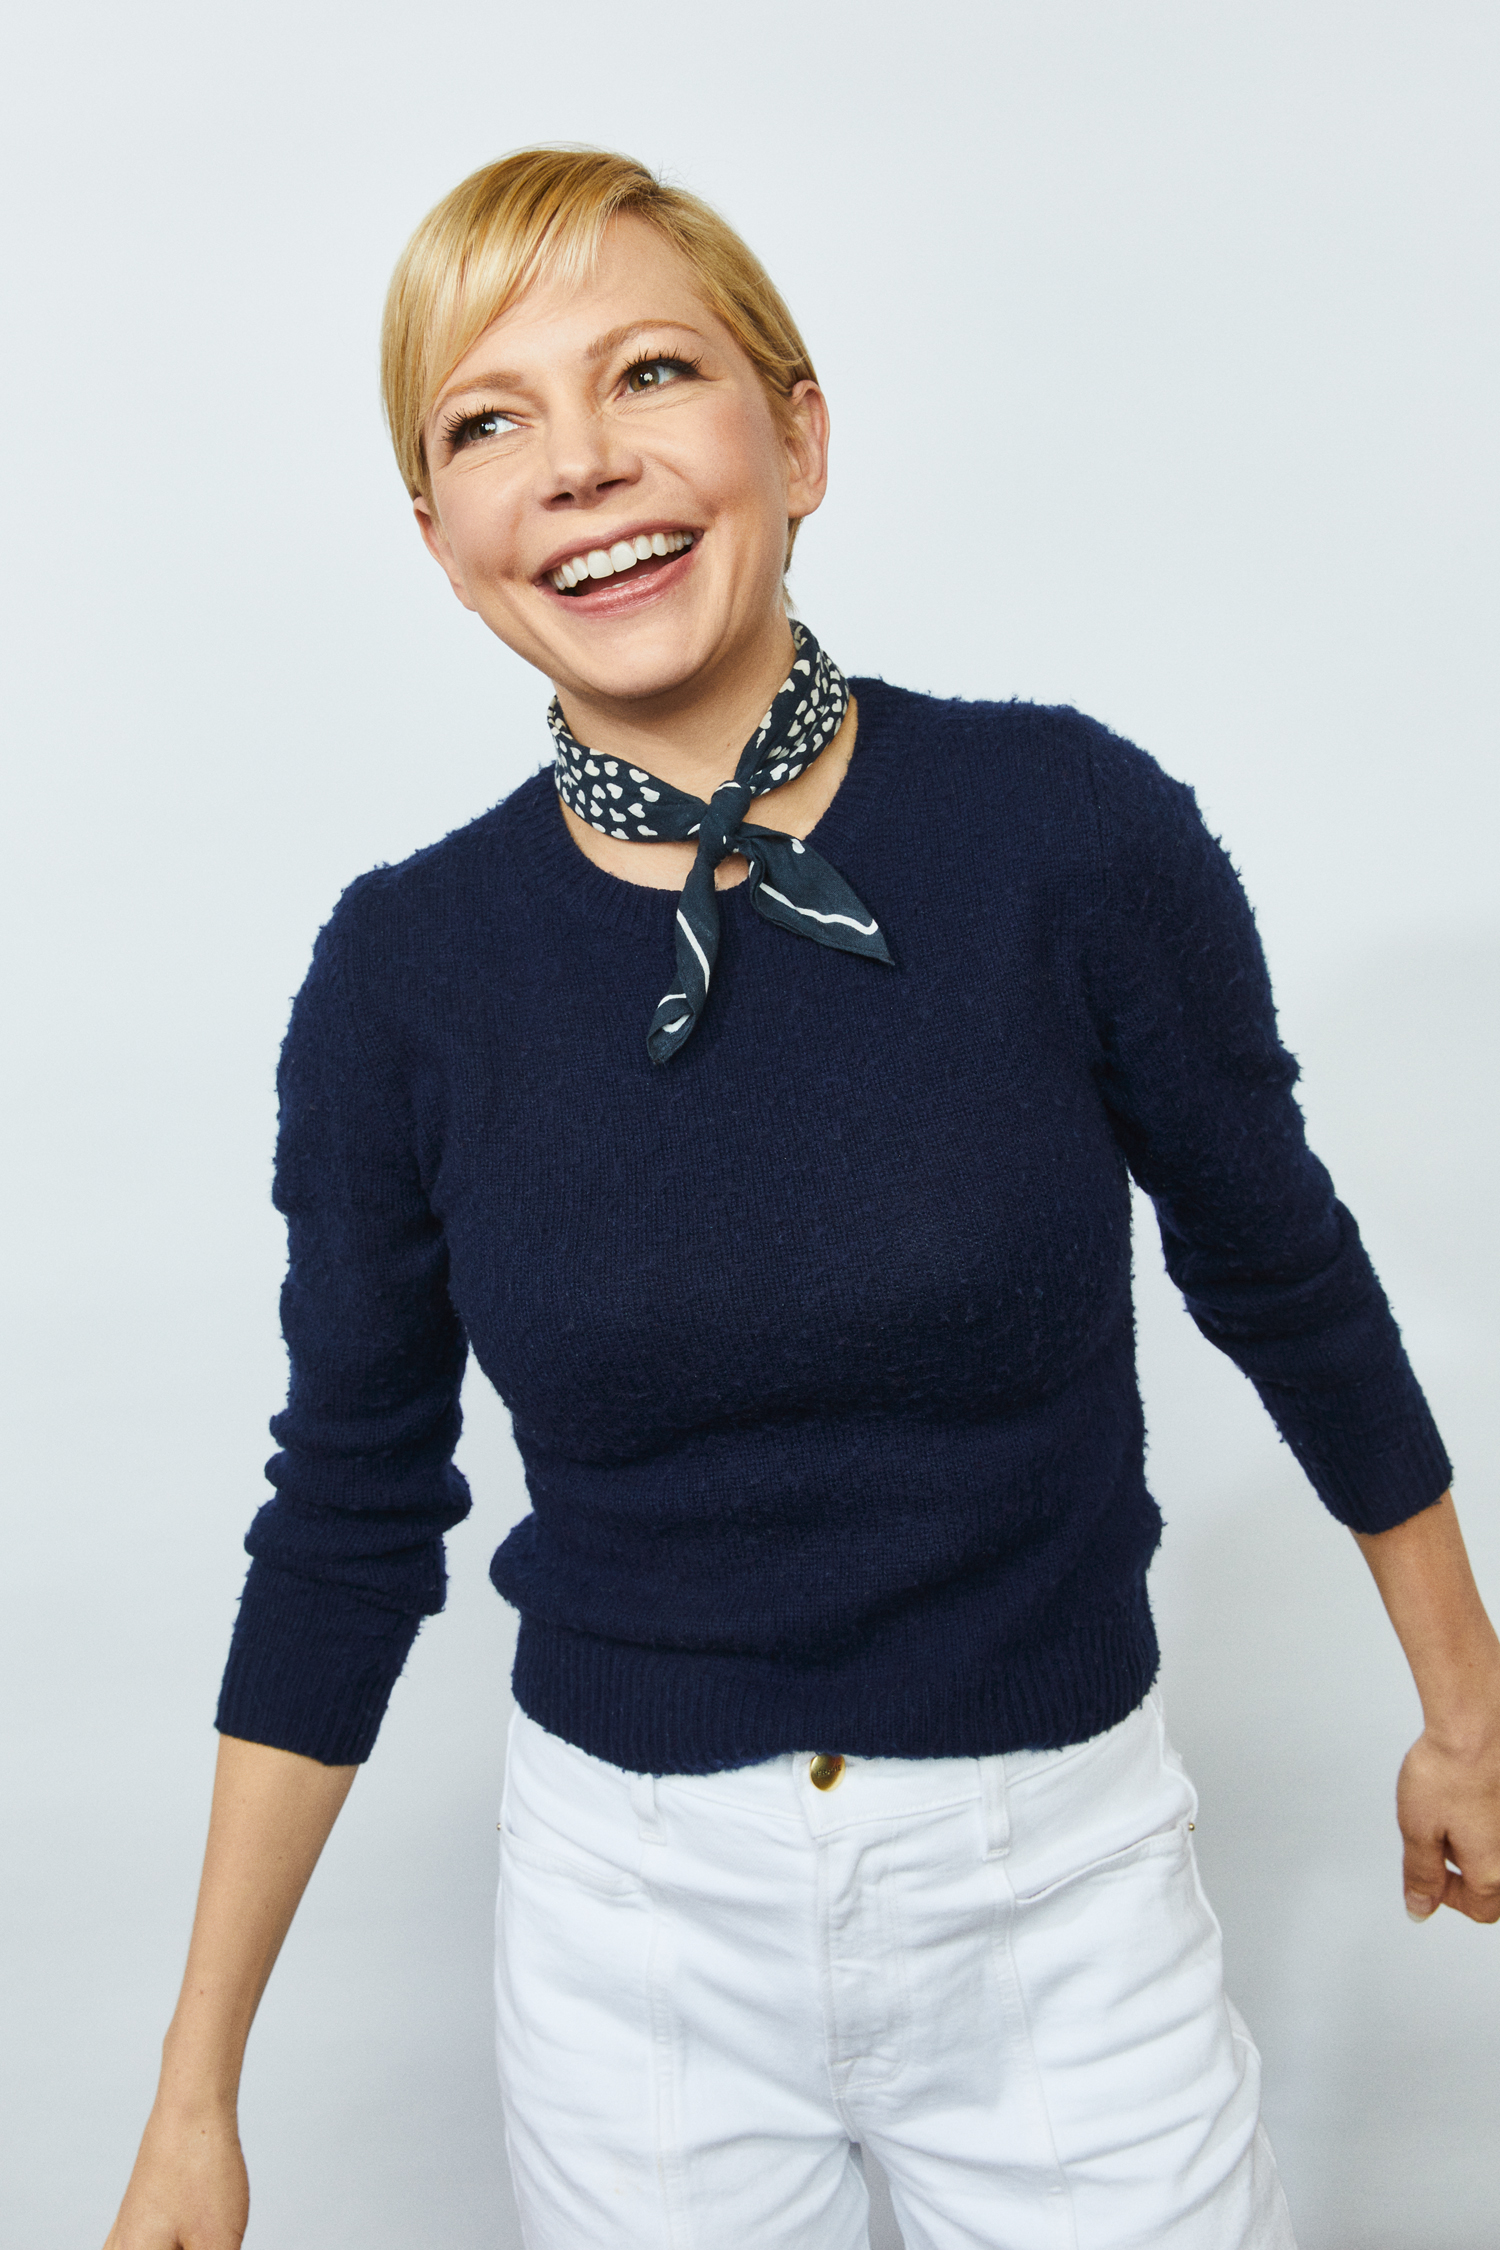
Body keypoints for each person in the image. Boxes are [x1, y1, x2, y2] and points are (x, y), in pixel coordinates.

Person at [105, 147, 1500, 2250]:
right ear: (442, 541)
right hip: (633, 1943)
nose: (580, 462)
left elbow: (1281, 1269)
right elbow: (346, 1514)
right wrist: (194, 2092)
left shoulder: (1071, 832)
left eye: (650, 373)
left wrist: (1469, 1708)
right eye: (487, 421)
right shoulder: (405, 974)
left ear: (800, 436)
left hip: (1063, 1899)